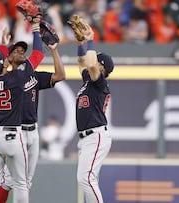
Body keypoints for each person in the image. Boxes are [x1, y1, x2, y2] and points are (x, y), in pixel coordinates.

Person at [0, 18, 66, 203]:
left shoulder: (31, 75)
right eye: (16, 51)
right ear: (8, 58)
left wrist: (55, 51)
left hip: (32, 131)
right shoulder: (9, 78)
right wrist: (35, 30)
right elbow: (37, 54)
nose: (21, 52)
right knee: (10, 180)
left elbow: (60, 76)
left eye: (22, 51)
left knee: (26, 181)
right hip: (15, 132)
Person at [0, 13, 37, 203]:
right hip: (11, 137)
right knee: (20, 182)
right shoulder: (16, 79)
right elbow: (35, 57)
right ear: (5, 63)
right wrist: (36, 30)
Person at [74, 20, 114, 203]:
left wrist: (91, 40)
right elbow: (83, 63)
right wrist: (81, 44)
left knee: (86, 179)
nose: (93, 61)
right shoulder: (90, 81)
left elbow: (90, 66)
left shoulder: (100, 82)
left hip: (96, 135)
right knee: (86, 180)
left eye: (97, 60)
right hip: (86, 138)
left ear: (102, 68)